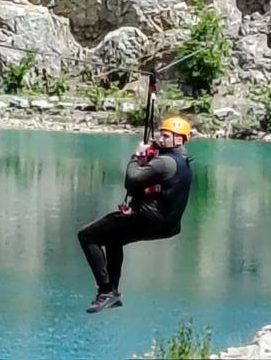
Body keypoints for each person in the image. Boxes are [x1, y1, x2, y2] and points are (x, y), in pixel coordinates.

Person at [77, 116, 192, 314]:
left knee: (87, 236)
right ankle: (112, 294)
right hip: (167, 226)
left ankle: (106, 291)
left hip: (148, 219)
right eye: (161, 134)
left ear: (179, 140)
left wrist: (137, 156)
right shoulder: (183, 162)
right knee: (114, 238)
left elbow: (132, 180)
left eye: (166, 136)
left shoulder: (164, 162)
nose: (161, 138)